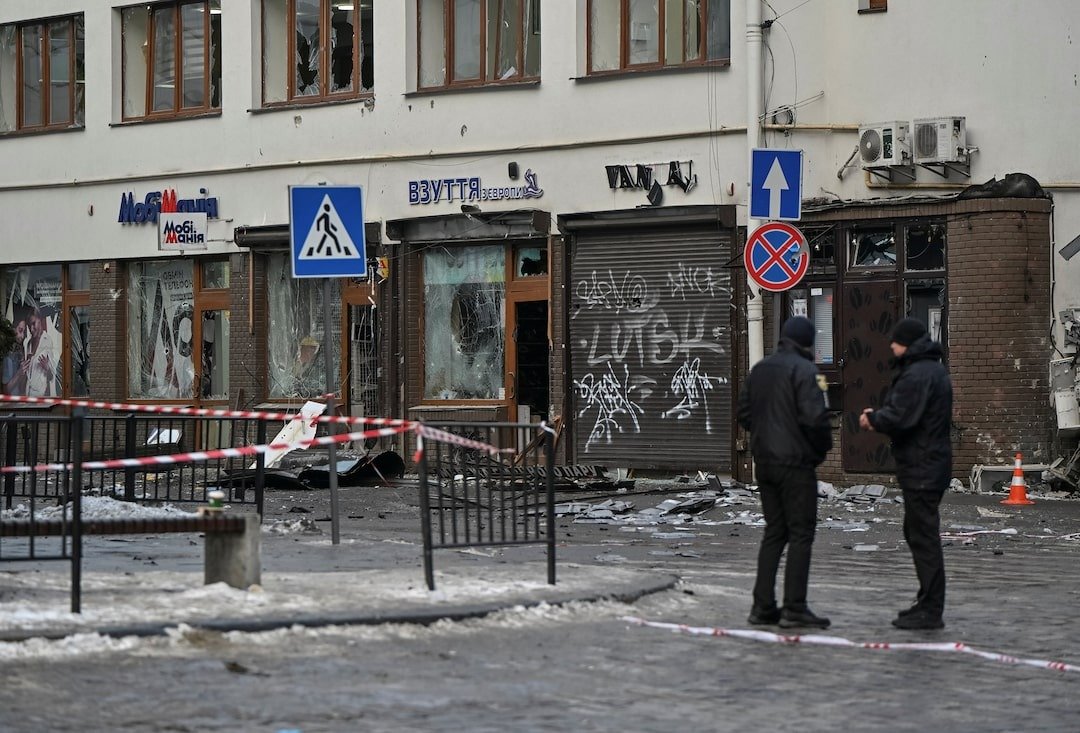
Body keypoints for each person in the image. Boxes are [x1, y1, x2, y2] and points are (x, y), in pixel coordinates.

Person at [737, 316, 833, 629]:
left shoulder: (760, 369)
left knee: (775, 532)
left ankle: (762, 606)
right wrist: (817, 452)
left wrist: (764, 435)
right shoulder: (807, 371)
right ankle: (794, 607)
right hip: (796, 463)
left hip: (765, 462)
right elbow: (816, 419)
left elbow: (744, 413)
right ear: (807, 342)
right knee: (801, 532)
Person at [859, 317, 953, 631]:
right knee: (918, 533)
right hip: (930, 463)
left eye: (895, 341)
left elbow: (901, 416)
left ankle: (930, 608)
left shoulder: (917, 374)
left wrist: (874, 418)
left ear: (907, 344)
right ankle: (927, 601)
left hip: (922, 466)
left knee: (923, 536)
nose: (891, 346)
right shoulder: (935, 370)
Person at [23, 309, 56, 397]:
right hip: (27, 395)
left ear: (40, 320)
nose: (31, 329)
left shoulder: (48, 341)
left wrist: (47, 368)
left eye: (33, 323)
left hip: (40, 396)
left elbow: (52, 376)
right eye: (29, 326)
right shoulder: (27, 343)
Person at [2, 319, 27, 395]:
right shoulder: (6, 356)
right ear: (13, 330)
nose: (22, 336)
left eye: (24, 332)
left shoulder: (19, 353)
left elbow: (22, 389)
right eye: (20, 330)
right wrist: (19, 373)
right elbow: (5, 391)